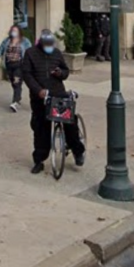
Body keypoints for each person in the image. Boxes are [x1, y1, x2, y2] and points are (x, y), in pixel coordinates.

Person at [19, 28, 84, 174]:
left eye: (51, 44)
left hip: (58, 93)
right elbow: (27, 75)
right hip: (40, 97)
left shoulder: (56, 53)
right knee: (40, 128)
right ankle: (39, 160)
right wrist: (38, 91)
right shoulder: (30, 53)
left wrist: (60, 73)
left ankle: (78, 151)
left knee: (70, 123)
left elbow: (66, 71)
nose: (49, 47)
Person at [0, 24, 28, 112]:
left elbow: (30, 51)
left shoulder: (24, 41)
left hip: (19, 65)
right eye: (13, 30)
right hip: (9, 64)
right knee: (13, 82)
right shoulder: (7, 41)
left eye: (16, 30)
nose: (14, 32)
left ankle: (15, 102)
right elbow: (1, 49)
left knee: (17, 82)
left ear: (19, 32)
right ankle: (18, 97)